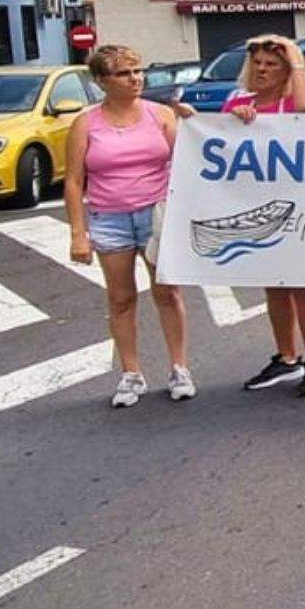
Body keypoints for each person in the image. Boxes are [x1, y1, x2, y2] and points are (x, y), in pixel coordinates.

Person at [65, 43, 190, 408]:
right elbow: (74, 181)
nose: (135, 79)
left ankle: (180, 368)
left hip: (156, 213)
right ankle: (130, 372)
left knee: (168, 293)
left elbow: (189, 160)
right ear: (102, 81)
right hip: (110, 216)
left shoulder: (160, 115)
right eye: (123, 73)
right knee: (121, 299)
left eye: (137, 71)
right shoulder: (86, 123)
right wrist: (78, 233)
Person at [227, 36, 305, 397]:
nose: (263, 70)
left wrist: (296, 58)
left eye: (273, 64)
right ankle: (287, 357)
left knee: (304, 285)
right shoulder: (237, 103)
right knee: (274, 285)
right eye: (258, 64)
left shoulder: (293, 103)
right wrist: (236, 120)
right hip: (256, 206)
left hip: (298, 204)